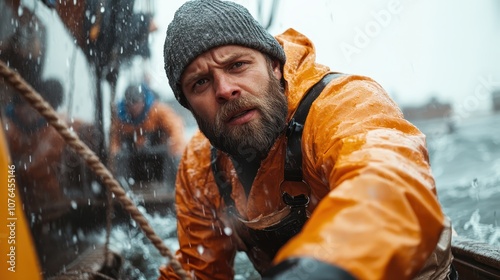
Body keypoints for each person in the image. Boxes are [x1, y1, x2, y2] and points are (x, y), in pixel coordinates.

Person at [159, 1, 455, 279]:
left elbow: (392, 188)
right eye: (200, 83)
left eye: (237, 65)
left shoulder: (343, 105)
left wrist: (317, 268)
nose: (224, 89)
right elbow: (197, 270)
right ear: (188, 106)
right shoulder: (200, 166)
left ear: (274, 66)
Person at [109, 83, 186, 183]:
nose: (133, 107)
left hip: (158, 151)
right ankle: (124, 187)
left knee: (174, 156)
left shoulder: (158, 111)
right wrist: (115, 156)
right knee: (120, 158)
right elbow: (114, 141)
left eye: (136, 102)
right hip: (134, 154)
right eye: (130, 103)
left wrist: (175, 149)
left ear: (143, 101)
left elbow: (176, 128)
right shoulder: (120, 119)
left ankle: (170, 187)